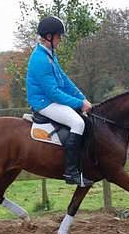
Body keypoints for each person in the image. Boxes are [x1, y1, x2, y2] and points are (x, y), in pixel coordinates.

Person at [26, 15, 94, 187]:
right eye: (58, 36)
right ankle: (71, 173)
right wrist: (79, 104)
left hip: (50, 99)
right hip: (44, 103)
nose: (60, 39)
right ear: (48, 36)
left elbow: (64, 80)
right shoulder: (40, 59)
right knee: (78, 123)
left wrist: (82, 97)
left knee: (82, 119)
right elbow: (54, 92)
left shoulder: (49, 54)